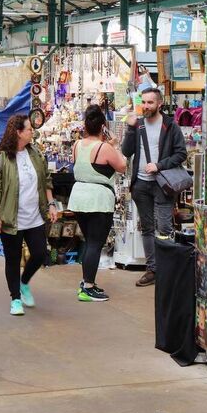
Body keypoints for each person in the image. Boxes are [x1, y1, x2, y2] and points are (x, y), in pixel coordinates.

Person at [0, 114, 59, 316]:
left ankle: (24, 282)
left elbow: (46, 181)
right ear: (18, 132)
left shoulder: (35, 154)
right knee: (13, 259)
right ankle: (15, 298)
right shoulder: (1, 159)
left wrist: (51, 204)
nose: (32, 132)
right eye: (28, 129)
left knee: (40, 253)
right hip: (11, 219)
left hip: (34, 217)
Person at [120, 87, 187, 286]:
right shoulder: (138, 125)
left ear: (159, 104)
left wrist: (159, 165)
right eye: (144, 102)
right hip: (141, 184)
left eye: (150, 102)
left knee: (164, 227)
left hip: (162, 184)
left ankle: (166, 269)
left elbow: (181, 154)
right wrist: (130, 129)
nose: (146, 106)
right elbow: (126, 151)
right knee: (147, 228)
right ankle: (152, 269)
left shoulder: (170, 126)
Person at [67, 104, 126, 302]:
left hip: (79, 197)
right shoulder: (104, 147)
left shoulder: (77, 145)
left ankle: (87, 282)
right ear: (102, 126)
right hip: (98, 199)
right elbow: (122, 167)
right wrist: (115, 146)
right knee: (95, 243)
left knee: (89, 241)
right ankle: (88, 287)